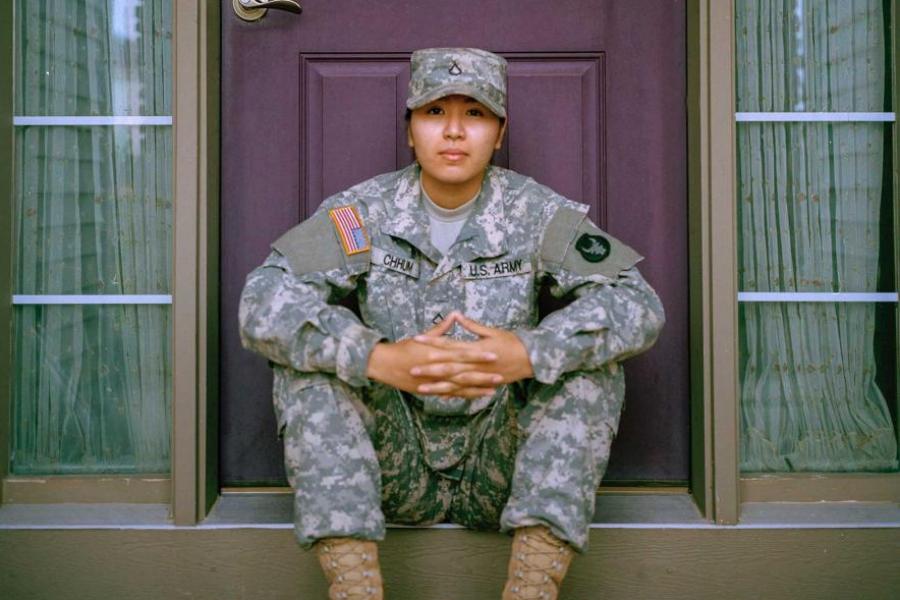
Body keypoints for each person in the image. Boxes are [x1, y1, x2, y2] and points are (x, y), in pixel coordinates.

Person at [239, 47, 665, 600]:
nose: (455, 132)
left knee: (591, 373)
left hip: (504, 464)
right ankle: (355, 589)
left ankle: (532, 588)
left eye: (476, 114)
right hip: (392, 461)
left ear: (500, 130)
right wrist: (379, 358)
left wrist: (528, 352)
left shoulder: (537, 213)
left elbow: (638, 303)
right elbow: (263, 298)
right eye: (435, 113)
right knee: (307, 371)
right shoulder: (362, 212)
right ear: (410, 129)